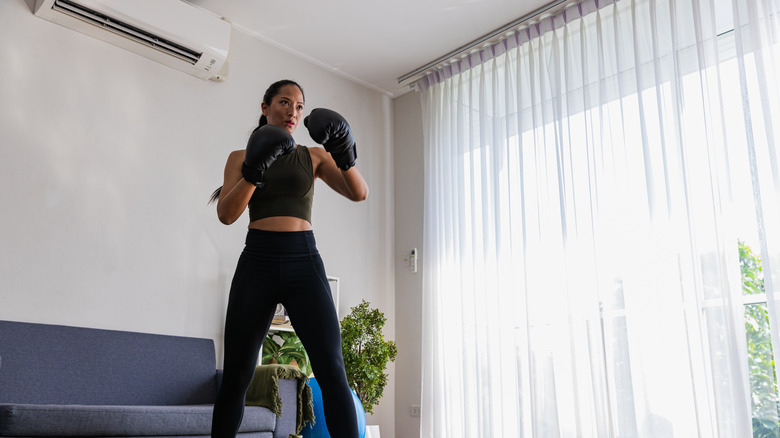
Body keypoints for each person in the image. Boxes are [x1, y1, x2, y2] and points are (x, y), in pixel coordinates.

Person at [209, 79, 368, 438]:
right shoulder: (239, 157)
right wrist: (255, 168)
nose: (292, 112)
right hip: (258, 260)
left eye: (299, 106)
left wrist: (344, 152)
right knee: (237, 373)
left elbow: (359, 193)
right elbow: (227, 214)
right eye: (284, 102)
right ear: (265, 107)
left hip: (303, 261)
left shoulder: (314, 156)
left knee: (332, 370)